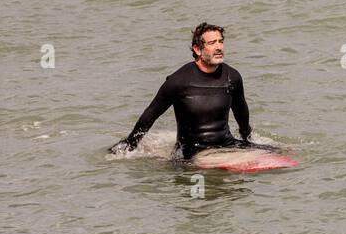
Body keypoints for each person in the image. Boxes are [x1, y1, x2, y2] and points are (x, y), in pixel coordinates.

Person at [110, 23, 267, 160]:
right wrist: (130, 144)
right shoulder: (178, 81)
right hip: (191, 150)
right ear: (197, 49)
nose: (219, 47)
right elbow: (150, 114)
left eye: (221, 41)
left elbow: (241, 113)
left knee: (284, 152)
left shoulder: (232, 77)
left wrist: (248, 139)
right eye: (212, 43)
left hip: (225, 143)